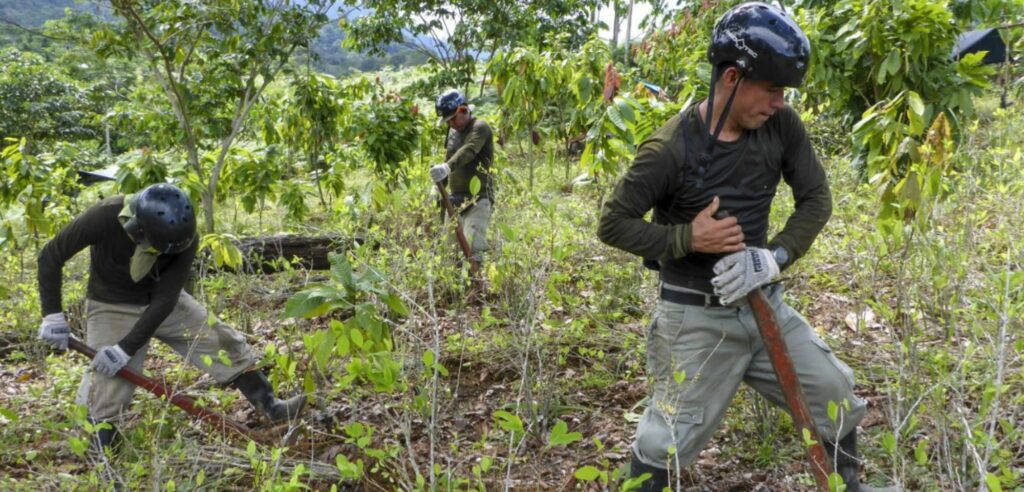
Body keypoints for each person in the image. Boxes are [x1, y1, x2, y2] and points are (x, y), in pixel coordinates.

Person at [598, 3, 895, 491]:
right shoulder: (670, 147)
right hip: (694, 318)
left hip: (764, 305)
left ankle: (850, 487)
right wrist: (687, 238)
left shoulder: (782, 127)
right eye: (773, 89)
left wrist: (774, 256)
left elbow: (816, 198)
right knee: (664, 442)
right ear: (732, 77)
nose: (780, 102)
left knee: (835, 395)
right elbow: (612, 224)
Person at [37, 183, 306, 452]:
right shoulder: (104, 215)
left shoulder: (185, 238)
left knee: (222, 340)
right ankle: (99, 449)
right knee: (108, 384)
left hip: (163, 300)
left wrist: (125, 348)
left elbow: (166, 300)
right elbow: (51, 255)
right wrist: (52, 315)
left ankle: (271, 407)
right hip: (112, 305)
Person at [429, 89, 495, 263]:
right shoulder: (452, 134)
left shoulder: (480, 127)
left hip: (478, 199)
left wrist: (447, 167)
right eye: (448, 121)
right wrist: (438, 185)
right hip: (455, 201)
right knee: (448, 255)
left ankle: (479, 288)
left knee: (473, 248)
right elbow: (449, 158)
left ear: (464, 110)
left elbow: (469, 150)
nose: (451, 124)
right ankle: (455, 291)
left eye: (453, 119)